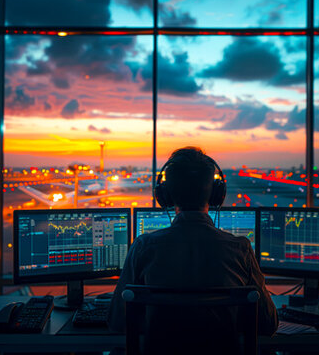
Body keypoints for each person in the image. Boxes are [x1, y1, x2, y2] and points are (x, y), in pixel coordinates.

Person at [107, 146, 278, 353]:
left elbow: (117, 321)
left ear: (165, 196)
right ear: (217, 195)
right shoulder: (240, 249)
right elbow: (268, 324)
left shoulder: (144, 247)